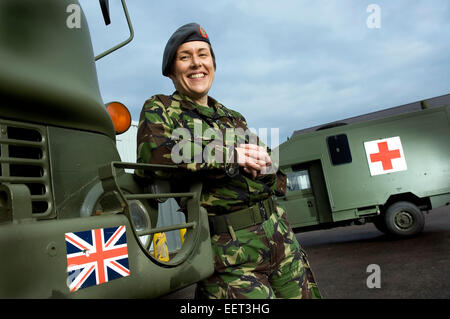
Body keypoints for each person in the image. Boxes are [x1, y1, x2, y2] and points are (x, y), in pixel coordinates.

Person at [136, 22, 321, 299]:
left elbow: (272, 168)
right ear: (172, 70)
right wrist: (230, 157)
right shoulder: (161, 108)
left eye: (203, 55)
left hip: (278, 234)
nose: (196, 63)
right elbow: (159, 156)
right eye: (185, 57)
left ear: (212, 63)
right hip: (228, 250)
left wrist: (267, 166)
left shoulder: (231, 117)